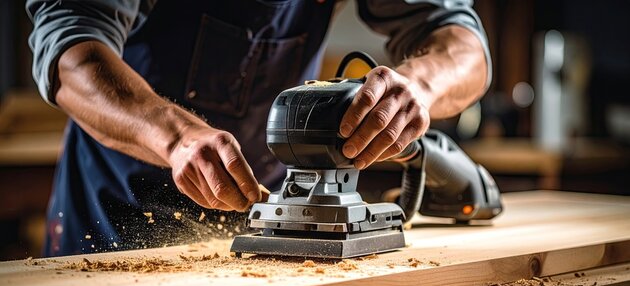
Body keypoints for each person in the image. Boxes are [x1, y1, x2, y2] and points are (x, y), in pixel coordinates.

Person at [27, 0, 491, 256]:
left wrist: (419, 86)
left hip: (268, 221)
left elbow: (461, 43)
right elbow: (71, 53)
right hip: (111, 221)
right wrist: (175, 137)